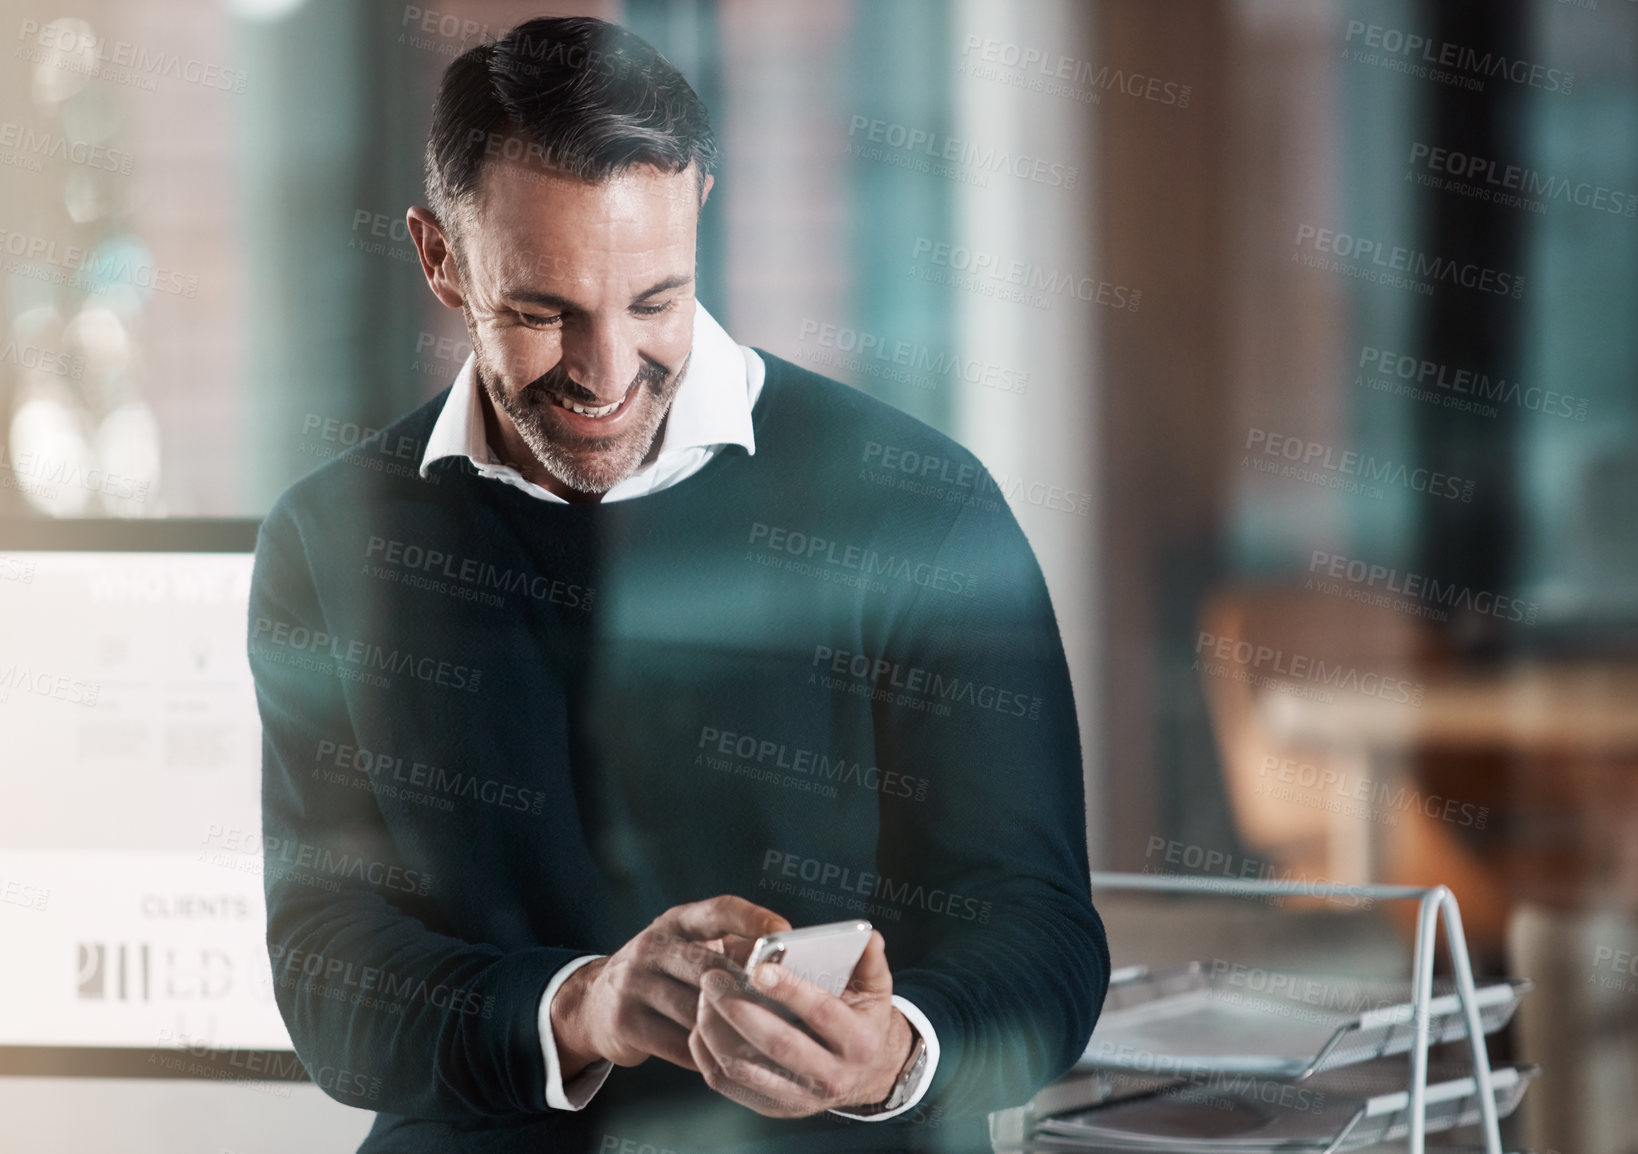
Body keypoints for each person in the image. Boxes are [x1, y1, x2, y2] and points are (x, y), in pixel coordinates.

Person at [248, 16, 1106, 1153]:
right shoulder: (330, 540)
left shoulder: (918, 507)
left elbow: (1042, 931)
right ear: (440, 258)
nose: (607, 375)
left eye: (654, 301)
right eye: (542, 311)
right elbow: (328, 973)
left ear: (699, 201)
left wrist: (896, 1049)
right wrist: (586, 1007)